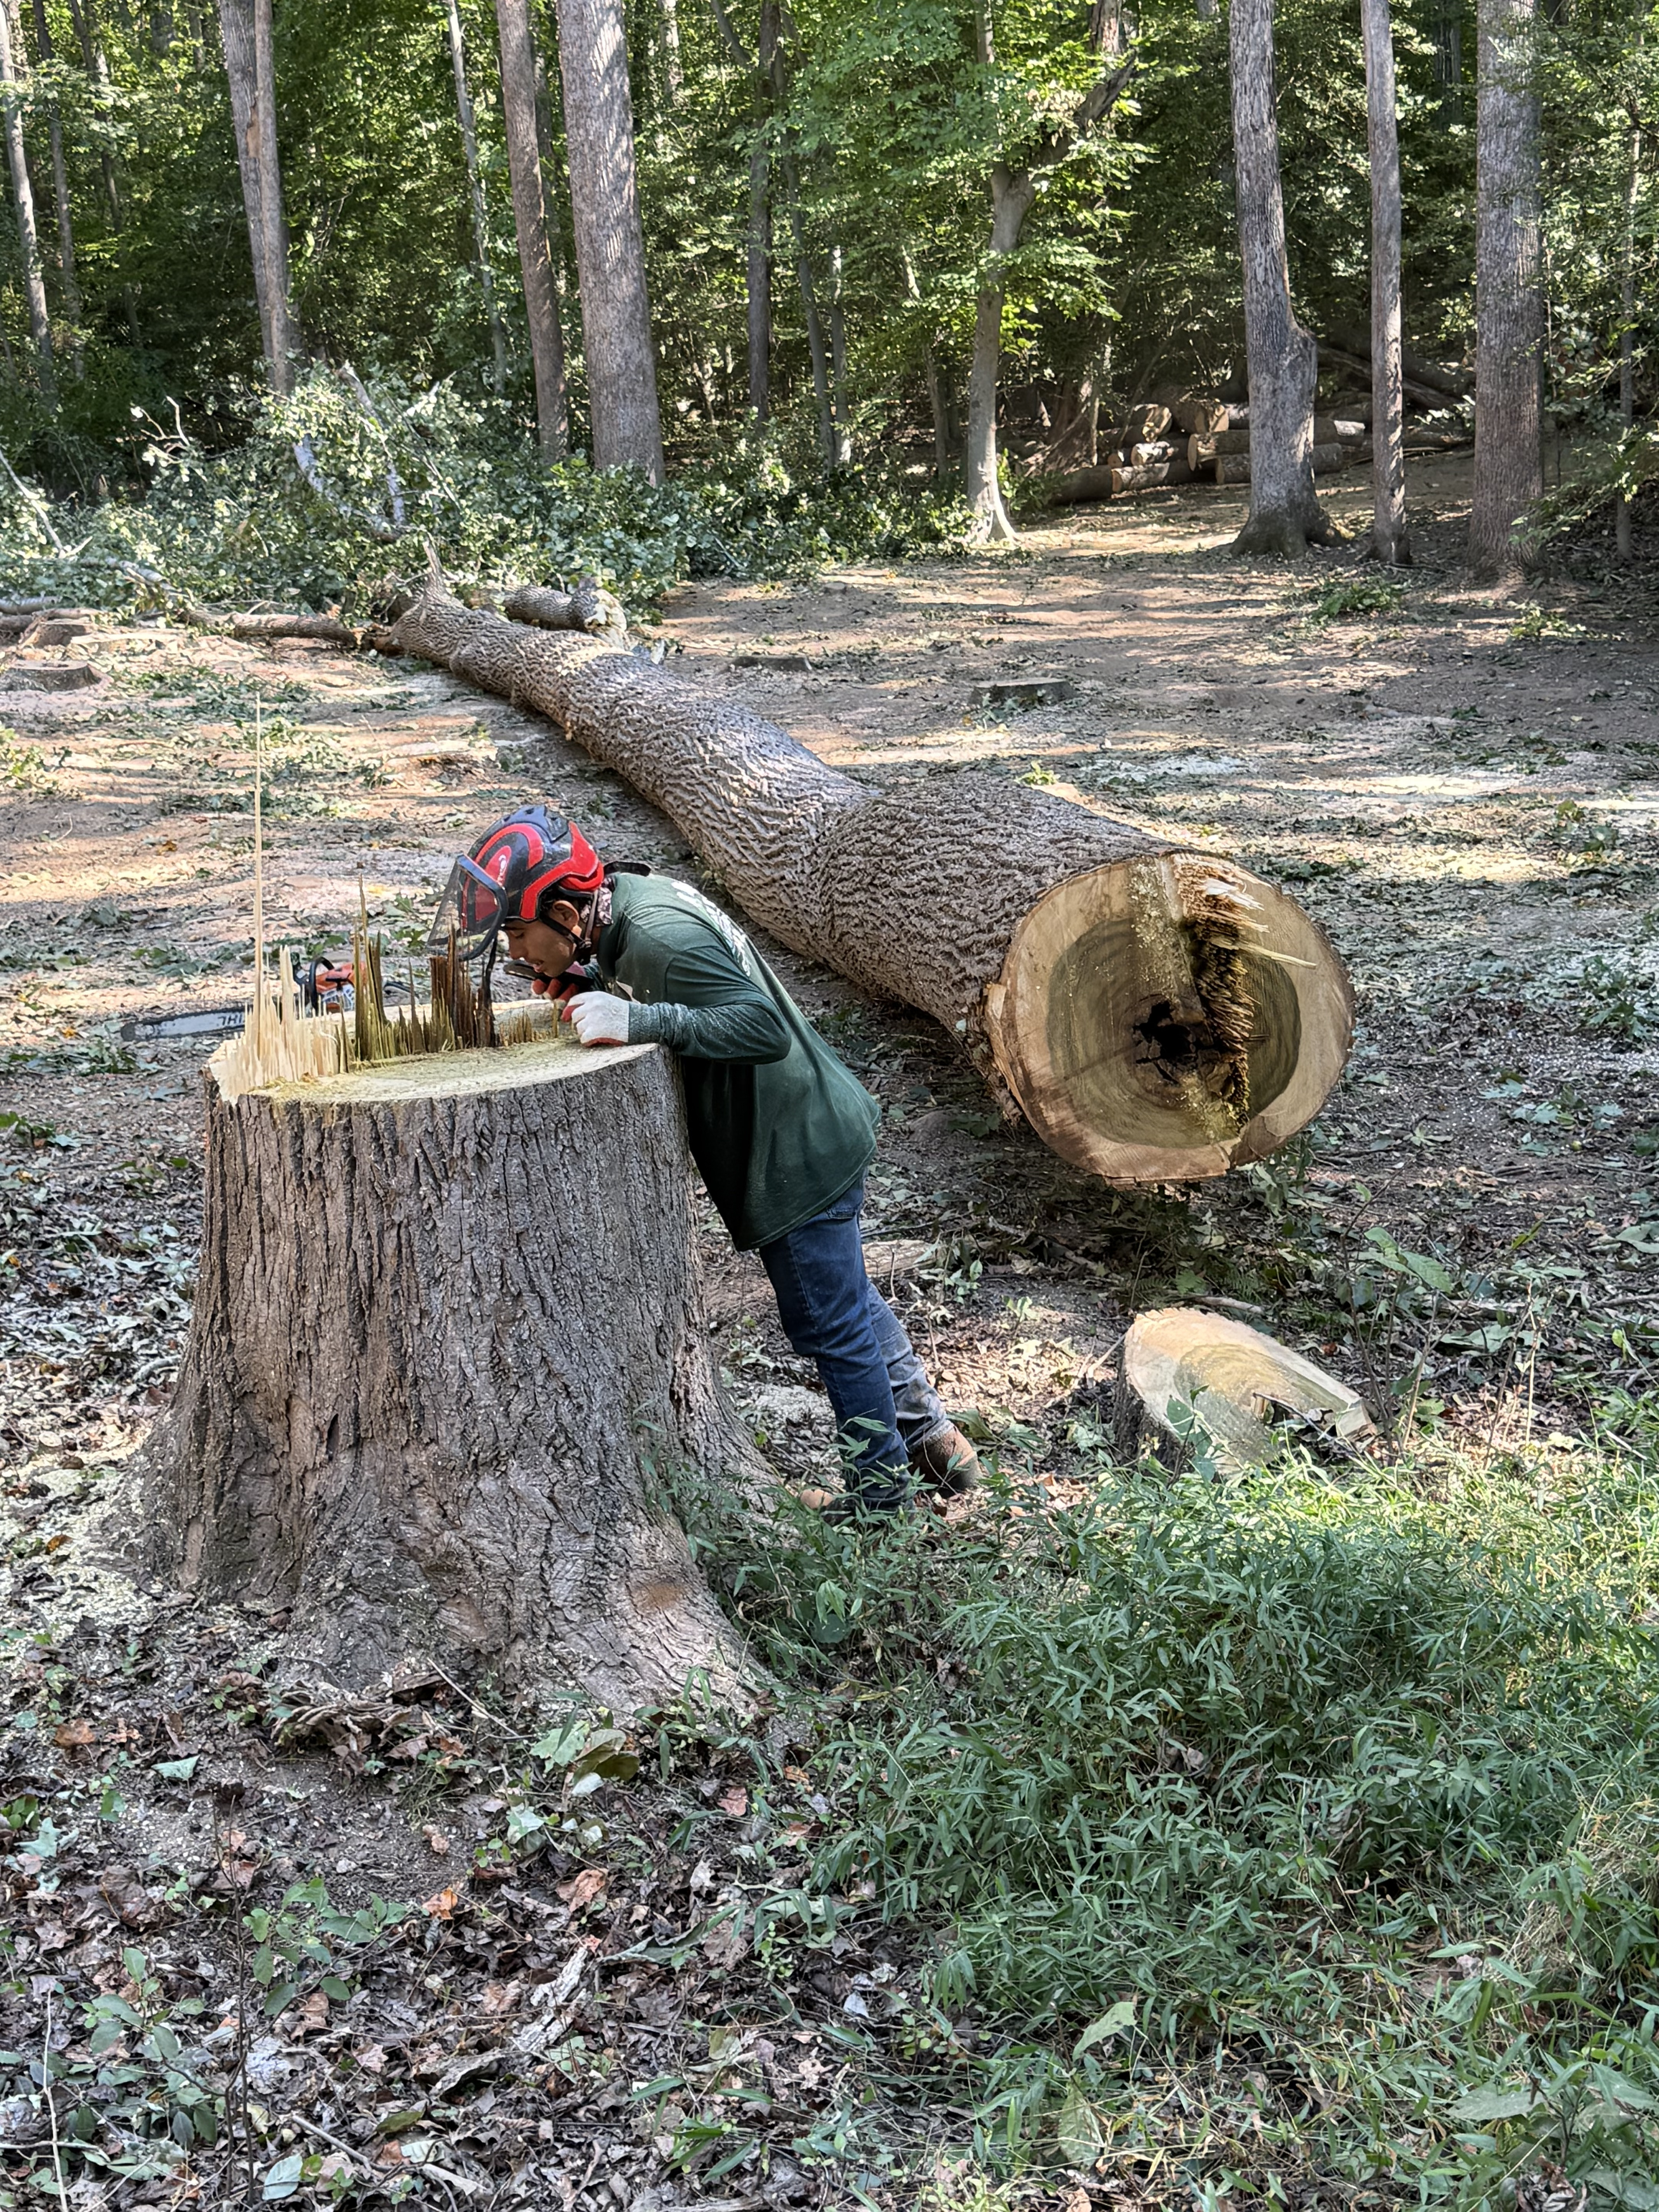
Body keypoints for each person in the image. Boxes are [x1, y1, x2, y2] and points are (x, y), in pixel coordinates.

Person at [429, 807, 982, 1516]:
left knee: (829, 1323)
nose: (514, 952)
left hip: (795, 1152)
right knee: (850, 1302)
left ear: (565, 912)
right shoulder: (626, 912)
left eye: (516, 933)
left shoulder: (658, 937)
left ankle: (883, 1502)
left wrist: (641, 1020)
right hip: (811, 1128)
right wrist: (589, 980)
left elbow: (763, 1029)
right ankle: (935, 1442)